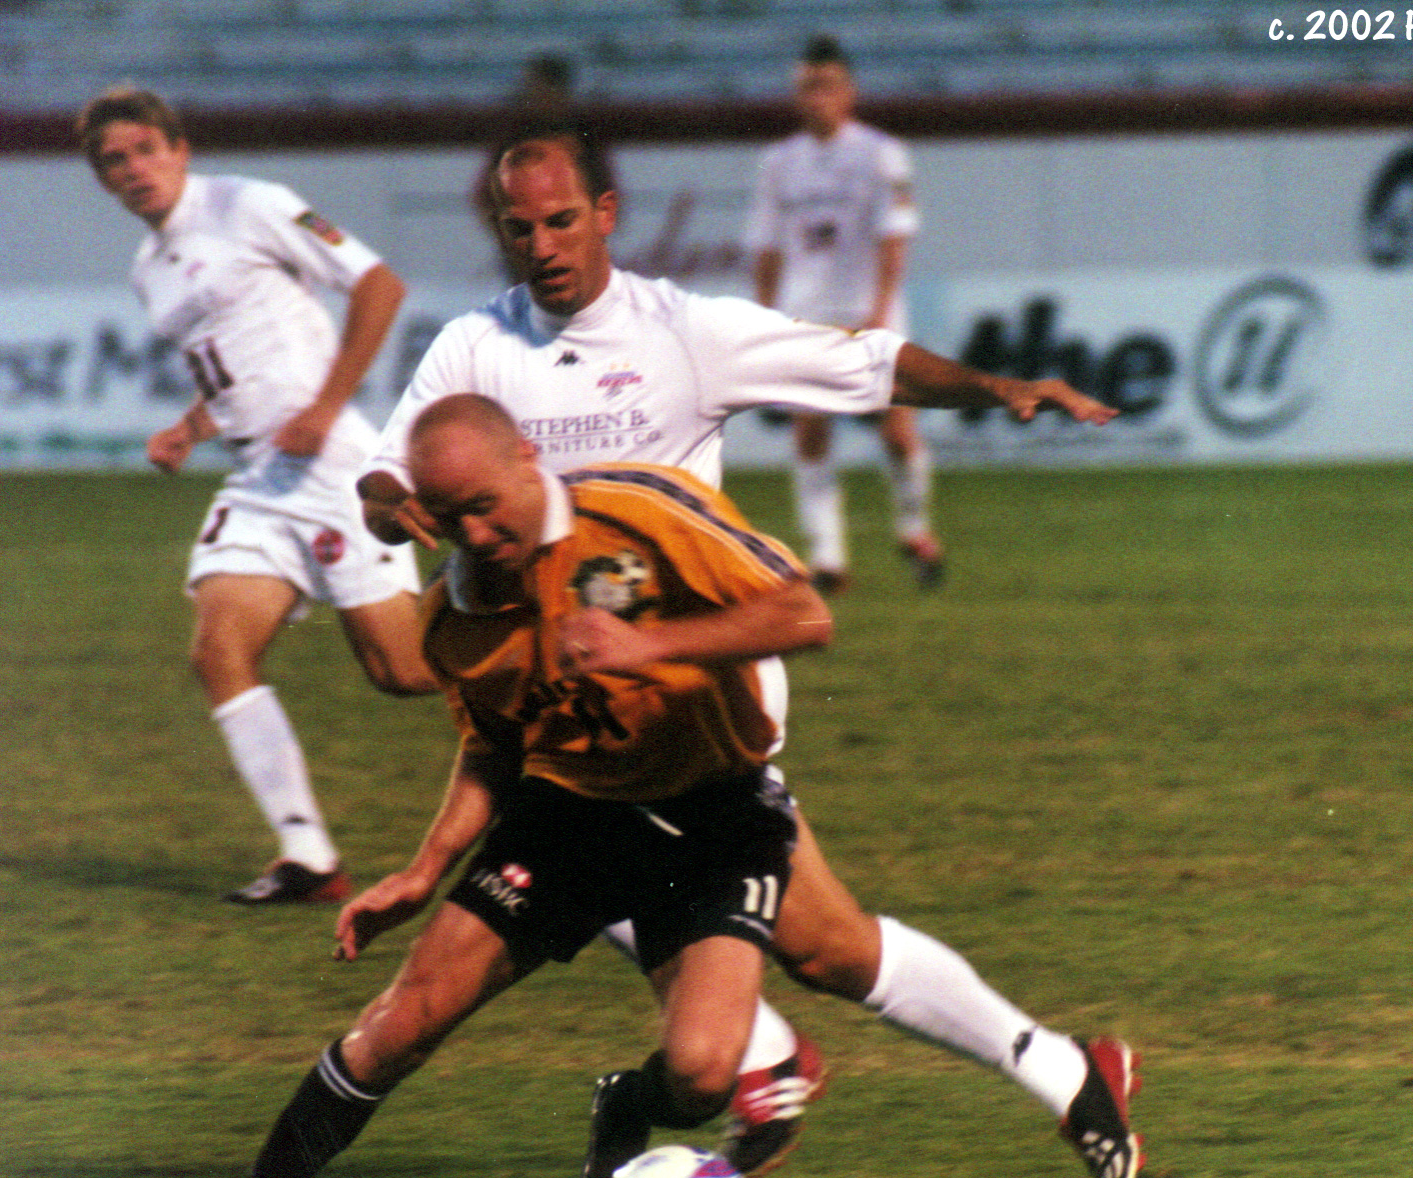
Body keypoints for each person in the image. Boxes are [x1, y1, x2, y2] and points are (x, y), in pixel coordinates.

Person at [353, 121, 1137, 1178]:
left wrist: (993, 389)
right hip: (560, 702)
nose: (539, 244)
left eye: (560, 219)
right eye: (518, 225)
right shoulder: (470, 350)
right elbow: (382, 474)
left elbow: (861, 361)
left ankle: (756, 1060)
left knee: (752, 924)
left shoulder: (682, 332)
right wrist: (396, 506)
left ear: (605, 215)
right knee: (817, 942)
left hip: (693, 694)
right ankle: (1043, 1067)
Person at [250, 393, 833, 1178]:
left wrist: (648, 645)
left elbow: (803, 616)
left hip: (718, 816)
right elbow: (491, 752)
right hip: (568, 820)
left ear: (526, 457)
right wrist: (424, 872)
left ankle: (629, 1103)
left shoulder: (639, 510)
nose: (479, 538)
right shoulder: (451, 619)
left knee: (700, 1076)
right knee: (399, 1024)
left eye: (487, 509)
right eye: (454, 521)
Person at [76, 85, 437, 904]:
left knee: (406, 671)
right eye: (113, 161)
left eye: (144, 149)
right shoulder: (148, 270)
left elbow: (380, 286)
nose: (133, 169)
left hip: (332, 464)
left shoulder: (250, 204)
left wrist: (325, 405)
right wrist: (190, 427)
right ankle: (308, 856)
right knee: (216, 651)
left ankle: (561, 668)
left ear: (179, 148)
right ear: (103, 181)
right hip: (260, 478)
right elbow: (235, 371)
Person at [745, 34, 941, 594]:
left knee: (896, 428)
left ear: (848, 92)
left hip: (867, 308)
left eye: (827, 85)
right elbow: (766, 245)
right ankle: (828, 557)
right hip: (805, 311)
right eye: (807, 87)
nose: (817, 97)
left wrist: (880, 309)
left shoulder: (880, 153)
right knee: (811, 426)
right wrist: (764, 317)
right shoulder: (779, 162)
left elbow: (894, 238)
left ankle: (914, 526)